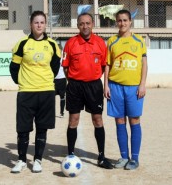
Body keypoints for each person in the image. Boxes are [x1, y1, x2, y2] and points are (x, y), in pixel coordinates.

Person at [9, 10, 61, 173]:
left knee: (42, 127)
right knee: (23, 129)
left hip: (46, 92)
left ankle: (37, 160)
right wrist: (23, 82)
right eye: (36, 22)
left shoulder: (52, 45)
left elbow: (55, 67)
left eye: (42, 22)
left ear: (45, 25)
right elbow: (14, 68)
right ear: (31, 24)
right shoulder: (22, 44)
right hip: (26, 92)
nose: (39, 25)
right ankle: (21, 160)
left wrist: (44, 81)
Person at [62, 12, 113, 169]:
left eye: (88, 23)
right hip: (75, 86)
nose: (85, 26)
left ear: (92, 24)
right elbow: (65, 67)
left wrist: (103, 84)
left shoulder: (100, 43)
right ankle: (70, 154)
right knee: (73, 120)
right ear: (78, 25)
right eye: (82, 23)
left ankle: (101, 157)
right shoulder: (70, 43)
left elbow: (105, 66)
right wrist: (73, 81)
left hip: (94, 86)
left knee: (97, 120)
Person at [104, 9, 148, 170]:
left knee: (134, 120)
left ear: (130, 22)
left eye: (125, 20)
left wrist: (142, 84)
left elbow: (144, 64)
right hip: (115, 86)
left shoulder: (139, 41)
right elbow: (107, 64)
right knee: (119, 121)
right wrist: (106, 85)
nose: (122, 23)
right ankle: (124, 156)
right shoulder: (112, 41)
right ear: (116, 22)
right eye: (119, 20)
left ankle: (134, 159)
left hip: (134, 87)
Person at [54, 44, 67, 118]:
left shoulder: (64, 57)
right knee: (52, 97)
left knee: (62, 96)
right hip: (54, 80)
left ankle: (62, 112)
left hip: (62, 79)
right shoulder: (54, 57)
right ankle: (51, 112)